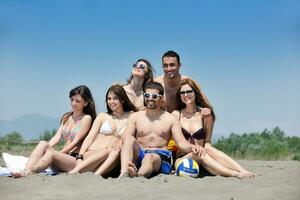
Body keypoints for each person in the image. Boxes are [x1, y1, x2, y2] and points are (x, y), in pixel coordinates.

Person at [172, 78, 256, 179]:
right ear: (179, 95)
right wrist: (195, 148)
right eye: (182, 93)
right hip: (182, 159)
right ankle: (235, 174)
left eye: (189, 91)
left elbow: (207, 141)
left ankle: (242, 170)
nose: (186, 95)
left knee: (208, 148)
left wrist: (204, 147)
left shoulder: (206, 115)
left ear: (195, 93)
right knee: (199, 153)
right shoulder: (176, 115)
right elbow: (180, 143)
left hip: (202, 158)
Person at [119, 82, 203, 178]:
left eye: (154, 96)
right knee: (129, 139)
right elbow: (125, 139)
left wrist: (194, 147)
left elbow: (181, 143)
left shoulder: (170, 118)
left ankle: (138, 175)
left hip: (161, 156)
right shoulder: (135, 117)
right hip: (140, 154)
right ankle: (124, 173)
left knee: (149, 157)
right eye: (147, 95)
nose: (150, 98)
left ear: (161, 98)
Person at [11, 85, 96, 178]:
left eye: (77, 101)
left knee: (51, 153)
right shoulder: (67, 116)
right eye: (72, 100)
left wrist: (59, 153)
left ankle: (29, 172)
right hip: (61, 158)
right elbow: (57, 137)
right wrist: (45, 148)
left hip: (73, 159)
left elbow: (76, 141)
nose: (73, 103)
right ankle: (26, 170)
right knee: (43, 143)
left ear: (86, 103)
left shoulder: (86, 118)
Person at [68, 84, 137, 176]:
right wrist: (80, 156)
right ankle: (74, 172)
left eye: (115, 98)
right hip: (93, 154)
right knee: (108, 151)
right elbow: (90, 137)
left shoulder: (132, 116)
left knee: (114, 152)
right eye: (109, 99)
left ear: (123, 99)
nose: (111, 101)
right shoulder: (102, 116)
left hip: (112, 157)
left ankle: (96, 176)